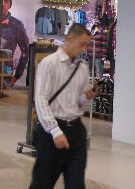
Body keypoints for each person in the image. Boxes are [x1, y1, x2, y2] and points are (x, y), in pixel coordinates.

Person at [30, 23, 96, 189]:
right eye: (82, 44)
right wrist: (55, 131)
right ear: (70, 38)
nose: (84, 49)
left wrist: (86, 97)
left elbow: (80, 105)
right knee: (42, 183)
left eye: (86, 45)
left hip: (76, 131)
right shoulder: (49, 63)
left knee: (76, 184)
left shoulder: (82, 68)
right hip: (52, 132)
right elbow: (41, 98)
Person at [1, 0, 30, 86]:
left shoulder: (16, 24)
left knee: (2, 94)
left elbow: (25, 50)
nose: (3, 4)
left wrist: (17, 75)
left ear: (10, 4)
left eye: (6, 1)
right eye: (0, 0)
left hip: (6, 70)